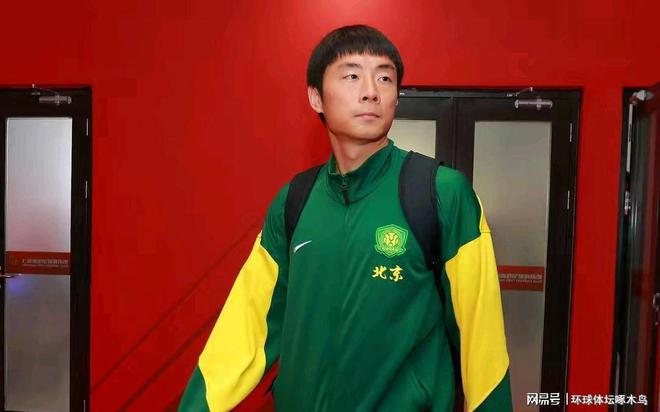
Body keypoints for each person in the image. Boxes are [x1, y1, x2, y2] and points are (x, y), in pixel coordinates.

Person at [179, 24, 512, 412]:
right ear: (316, 97)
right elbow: (246, 329)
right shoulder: (294, 201)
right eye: (352, 76)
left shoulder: (442, 193)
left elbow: (483, 344)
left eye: (385, 78)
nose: (371, 91)